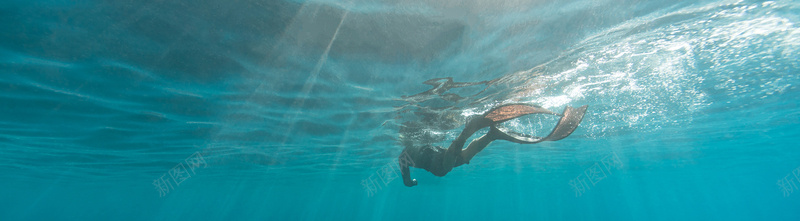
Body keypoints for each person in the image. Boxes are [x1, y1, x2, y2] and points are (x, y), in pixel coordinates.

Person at [399, 103, 588, 187]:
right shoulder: (409, 152)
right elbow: (407, 180)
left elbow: (407, 181)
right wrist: (410, 182)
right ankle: (492, 135)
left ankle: (467, 132)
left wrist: (411, 183)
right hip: (442, 155)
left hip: (439, 162)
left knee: (444, 167)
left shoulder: (405, 155)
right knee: (463, 156)